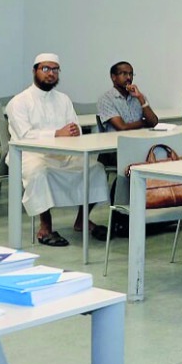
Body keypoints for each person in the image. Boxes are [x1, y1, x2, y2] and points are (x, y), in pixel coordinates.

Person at [6, 53, 109, 246]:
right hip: (29, 154)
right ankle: (45, 227)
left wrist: (73, 131)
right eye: (45, 69)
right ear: (34, 71)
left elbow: (73, 127)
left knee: (95, 168)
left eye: (54, 69)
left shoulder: (63, 99)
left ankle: (82, 220)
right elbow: (25, 135)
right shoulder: (19, 102)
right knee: (40, 172)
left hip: (64, 153)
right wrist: (56, 133)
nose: (50, 74)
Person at [97, 61, 158, 132]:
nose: (129, 77)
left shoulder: (139, 96)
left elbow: (153, 123)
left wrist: (141, 99)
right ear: (113, 77)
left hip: (141, 138)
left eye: (131, 74)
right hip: (117, 140)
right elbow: (122, 127)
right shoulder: (106, 99)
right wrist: (144, 123)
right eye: (124, 74)